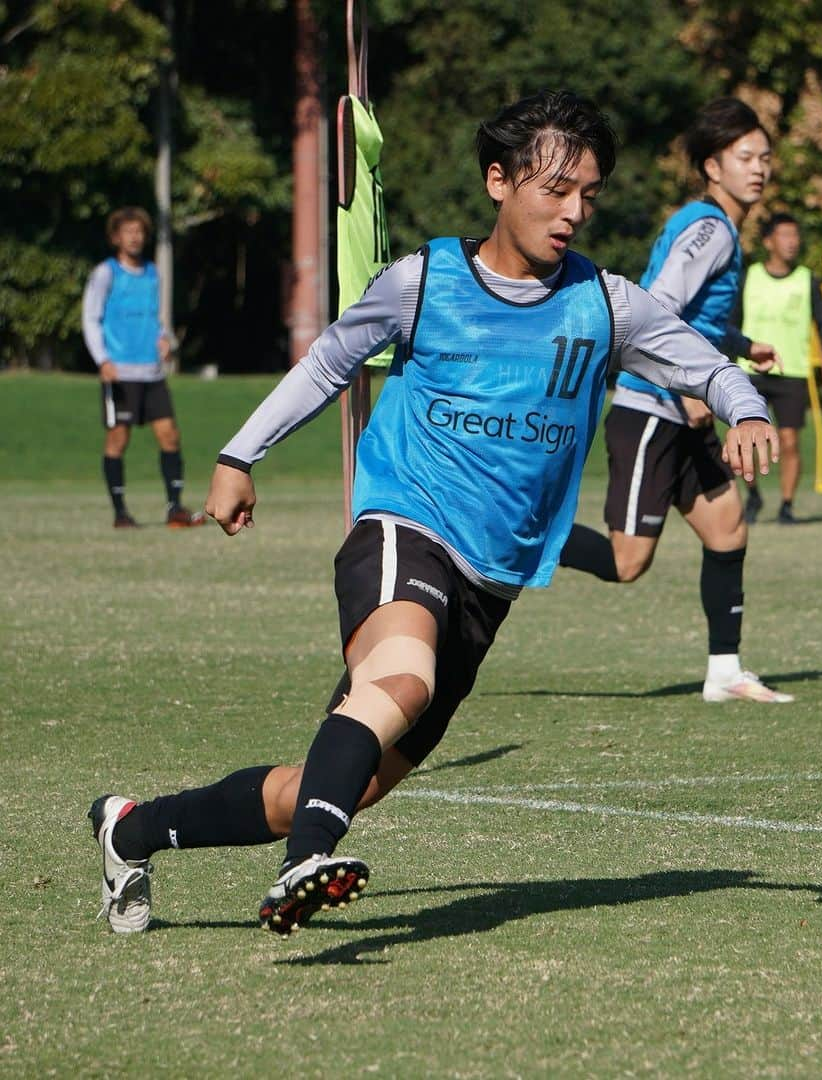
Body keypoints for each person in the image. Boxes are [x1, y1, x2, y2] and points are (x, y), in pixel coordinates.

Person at [89, 90, 780, 936]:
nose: (573, 212)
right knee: (401, 678)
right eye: (554, 190)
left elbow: (709, 367)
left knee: (342, 780)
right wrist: (239, 455)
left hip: (493, 583)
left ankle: (133, 829)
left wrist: (747, 409)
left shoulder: (607, 304)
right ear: (499, 180)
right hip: (405, 522)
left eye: (587, 196)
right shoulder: (425, 280)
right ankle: (307, 858)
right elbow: (328, 364)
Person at [557, 98, 791, 705]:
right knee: (626, 562)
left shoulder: (722, 227)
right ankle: (510, 529)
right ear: (714, 166)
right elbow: (657, 307)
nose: (759, 168)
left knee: (728, 530)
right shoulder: (710, 227)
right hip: (653, 408)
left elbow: (697, 317)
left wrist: (739, 344)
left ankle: (725, 673)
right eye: (745, 157)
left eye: (765, 157)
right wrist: (682, 387)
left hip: (688, 405)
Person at [81, 207, 205, 528]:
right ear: (116, 238)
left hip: (152, 373)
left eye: (139, 231)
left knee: (170, 436)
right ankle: (121, 513)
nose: (135, 237)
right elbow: (91, 319)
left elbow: (156, 319)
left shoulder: (152, 272)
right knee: (117, 441)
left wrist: (165, 340)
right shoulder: (106, 273)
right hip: (120, 372)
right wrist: (103, 360)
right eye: (128, 232)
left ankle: (174, 508)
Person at [736, 212, 822, 524]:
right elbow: (730, 325)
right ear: (768, 241)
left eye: (795, 235)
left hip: (792, 371)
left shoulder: (807, 279)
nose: (792, 242)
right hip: (749, 371)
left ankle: (787, 505)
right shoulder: (748, 276)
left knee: (790, 441)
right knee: (747, 441)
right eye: (784, 235)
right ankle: (752, 495)